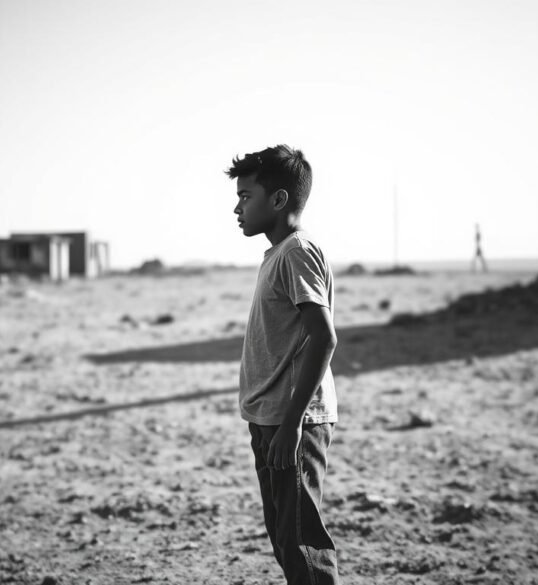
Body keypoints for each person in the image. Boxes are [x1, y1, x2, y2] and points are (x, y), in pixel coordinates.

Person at [226, 145, 341, 585]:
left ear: (277, 200)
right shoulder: (277, 254)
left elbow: (324, 336)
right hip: (272, 419)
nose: (237, 208)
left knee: (301, 543)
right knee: (284, 536)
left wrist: (293, 422)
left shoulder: (296, 252)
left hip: (294, 419)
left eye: (245, 196)